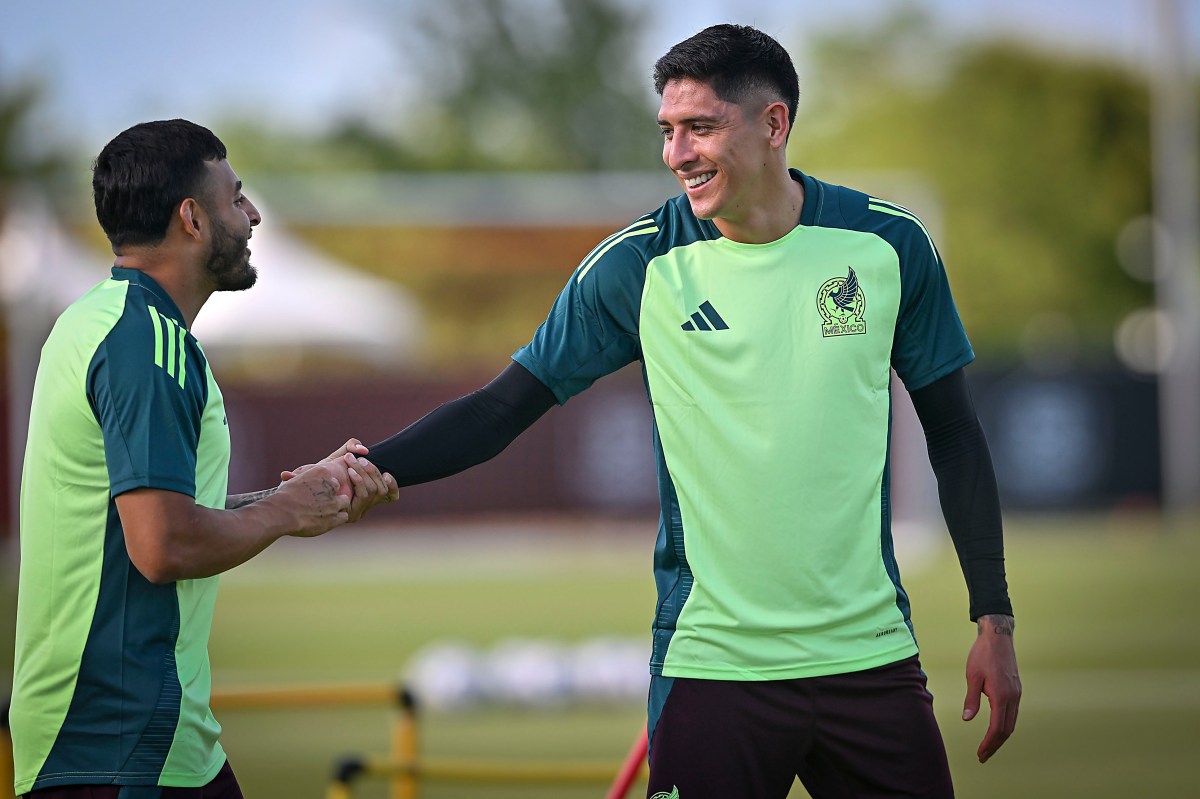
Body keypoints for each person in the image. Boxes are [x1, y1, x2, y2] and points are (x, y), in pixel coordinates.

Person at [360, 24, 1020, 798]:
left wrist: (994, 619)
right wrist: (364, 468)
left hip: (869, 657)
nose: (677, 154)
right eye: (668, 131)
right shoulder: (637, 265)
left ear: (774, 125)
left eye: (701, 127)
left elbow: (953, 430)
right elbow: (502, 407)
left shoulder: (887, 243)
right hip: (712, 665)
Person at [9, 119, 399, 798]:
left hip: (132, 743)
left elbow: (141, 520)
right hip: (124, 744)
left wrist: (304, 493)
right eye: (237, 197)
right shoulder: (145, 342)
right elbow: (162, 545)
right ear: (191, 218)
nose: (252, 216)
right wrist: (284, 508)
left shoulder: (98, 321)